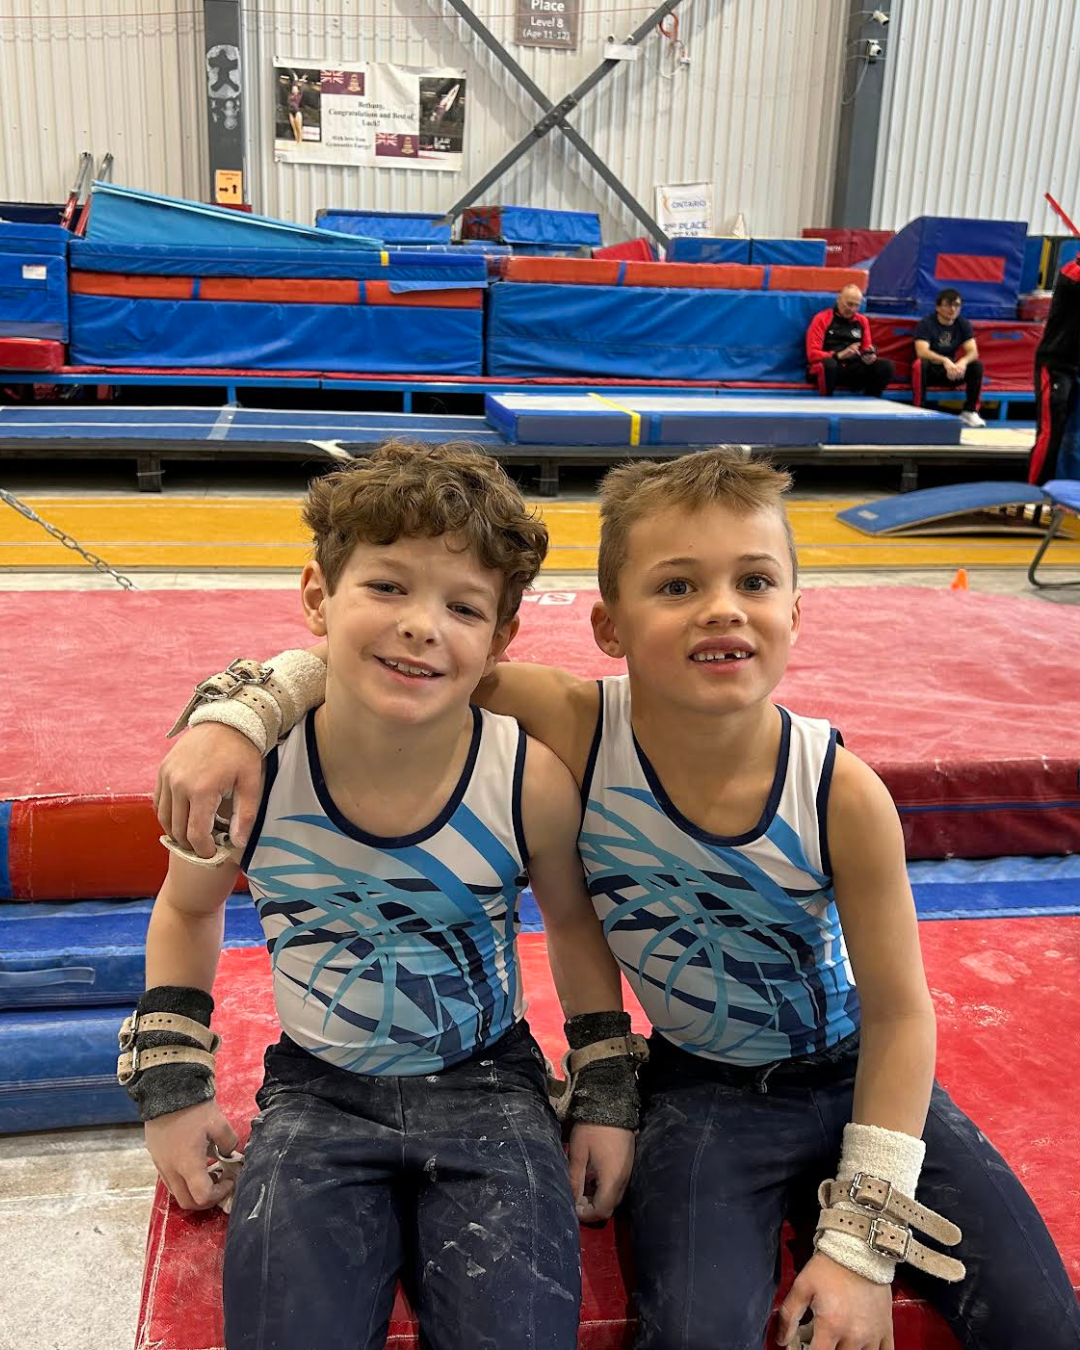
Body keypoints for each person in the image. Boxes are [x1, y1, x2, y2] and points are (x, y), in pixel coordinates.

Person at [155, 447, 1080, 1350]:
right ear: (609, 626)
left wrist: (864, 1239)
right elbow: (392, 664)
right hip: (698, 1087)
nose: (722, 608)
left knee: (1045, 1322)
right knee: (696, 1329)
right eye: (678, 586)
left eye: (754, 582)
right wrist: (234, 715)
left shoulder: (841, 793)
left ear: (798, 609)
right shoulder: (574, 726)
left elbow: (904, 1013)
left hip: (847, 1070)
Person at [127, 442, 642, 1350]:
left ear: (500, 641)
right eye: (388, 588)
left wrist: (602, 1090)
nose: (421, 625)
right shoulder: (255, 774)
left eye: (462, 606)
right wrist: (173, 1088)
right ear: (319, 598)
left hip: (492, 1088)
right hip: (319, 1094)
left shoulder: (527, 779)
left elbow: (572, 923)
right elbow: (188, 908)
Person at [1029, 258, 1080, 484]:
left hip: (1076, 366)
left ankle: (1065, 493)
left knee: (1073, 435)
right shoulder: (1071, 272)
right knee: (1051, 432)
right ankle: (1033, 494)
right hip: (1056, 364)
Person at [805, 284, 895, 397]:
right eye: (849, 304)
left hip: (851, 368)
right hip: (829, 366)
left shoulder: (862, 321)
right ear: (839, 299)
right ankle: (826, 402)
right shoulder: (822, 319)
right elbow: (812, 355)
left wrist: (869, 356)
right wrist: (839, 355)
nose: (852, 309)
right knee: (829, 365)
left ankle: (871, 401)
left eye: (856, 306)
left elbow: (866, 348)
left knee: (886, 366)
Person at [913, 288, 986, 427]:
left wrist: (962, 363)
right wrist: (945, 360)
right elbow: (922, 351)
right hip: (931, 372)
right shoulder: (927, 323)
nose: (952, 309)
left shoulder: (962, 323)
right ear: (938, 307)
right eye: (948, 305)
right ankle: (919, 409)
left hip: (952, 372)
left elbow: (973, 352)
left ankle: (970, 411)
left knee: (976, 365)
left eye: (956, 305)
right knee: (919, 364)